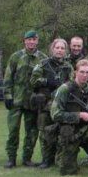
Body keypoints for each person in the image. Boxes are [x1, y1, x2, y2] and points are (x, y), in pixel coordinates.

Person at [3, 30, 48, 168]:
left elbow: (46, 79)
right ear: (24, 41)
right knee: (13, 130)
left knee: (32, 132)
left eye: (34, 39)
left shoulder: (43, 58)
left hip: (33, 101)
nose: (31, 42)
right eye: (29, 39)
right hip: (16, 100)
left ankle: (27, 158)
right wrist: (7, 95)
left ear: (37, 41)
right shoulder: (16, 56)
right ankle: (11, 158)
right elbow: (8, 77)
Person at [30, 38, 74, 169]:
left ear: (65, 51)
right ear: (52, 49)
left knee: (60, 132)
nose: (59, 50)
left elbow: (72, 83)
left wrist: (64, 86)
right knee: (44, 133)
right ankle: (45, 160)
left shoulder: (68, 67)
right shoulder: (43, 64)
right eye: (57, 48)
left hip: (61, 106)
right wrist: (47, 81)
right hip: (45, 104)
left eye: (62, 48)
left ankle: (58, 158)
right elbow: (33, 81)